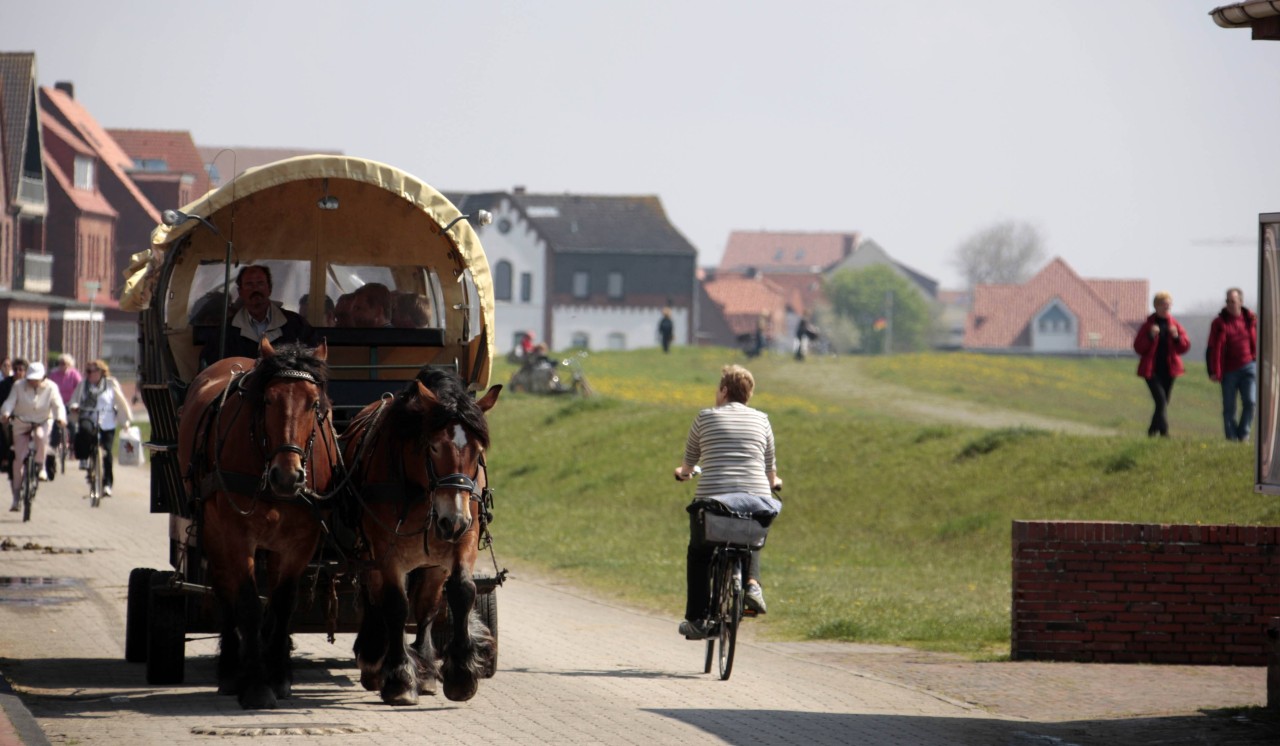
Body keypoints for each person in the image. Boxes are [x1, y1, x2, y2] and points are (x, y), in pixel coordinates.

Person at [673, 364, 782, 640]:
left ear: (723, 390)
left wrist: (683, 474)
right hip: (756, 496)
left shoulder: (705, 417)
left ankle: (697, 619)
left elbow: (689, 466)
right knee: (752, 534)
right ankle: (753, 585)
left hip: (714, 501)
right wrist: (774, 483)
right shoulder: (762, 420)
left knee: (698, 553)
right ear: (749, 394)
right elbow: (771, 471)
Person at [209, 265, 313, 361]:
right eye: (249, 284)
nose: (255, 289)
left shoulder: (296, 325)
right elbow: (212, 367)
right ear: (240, 292)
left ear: (269, 289)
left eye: (260, 283)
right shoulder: (226, 331)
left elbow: (312, 363)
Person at [1, 362, 67, 510]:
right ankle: (17, 495)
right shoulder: (18, 386)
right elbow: (10, 402)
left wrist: (61, 418)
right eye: (31, 379)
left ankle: (41, 466)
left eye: (36, 379)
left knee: (40, 435)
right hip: (22, 422)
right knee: (18, 460)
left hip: (42, 421)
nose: (33, 382)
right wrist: (5, 413)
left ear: (43, 377)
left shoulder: (51, 387)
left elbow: (58, 405)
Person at [68, 359, 133, 497]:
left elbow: (120, 402)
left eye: (91, 371)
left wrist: (125, 421)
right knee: (84, 432)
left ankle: (107, 484)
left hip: (107, 421)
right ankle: (85, 459)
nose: (88, 374)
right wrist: (74, 407)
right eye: (87, 371)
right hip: (88, 417)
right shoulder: (83, 384)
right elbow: (74, 400)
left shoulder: (110, 383)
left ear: (100, 372)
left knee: (107, 453)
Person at [1133, 291, 1191, 438]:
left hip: (1169, 370)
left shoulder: (1174, 325)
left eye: (1169, 306)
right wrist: (1150, 336)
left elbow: (1184, 347)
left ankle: (1152, 433)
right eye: (1164, 305)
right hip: (1152, 370)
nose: (1166, 308)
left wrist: (1176, 337)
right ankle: (1164, 432)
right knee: (1161, 401)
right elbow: (1139, 347)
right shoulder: (1148, 325)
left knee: (1163, 402)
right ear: (1156, 306)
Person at [1207, 287, 1258, 442]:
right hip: (1228, 370)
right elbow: (1211, 348)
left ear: (1240, 302)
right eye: (1228, 301)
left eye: (1233, 301)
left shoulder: (1251, 320)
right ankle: (1231, 437)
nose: (1230, 304)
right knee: (1229, 407)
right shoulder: (1219, 323)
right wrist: (1212, 371)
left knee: (1250, 401)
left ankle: (1244, 433)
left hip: (1249, 366)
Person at [48, 354, 82, 470]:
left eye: (65, 364)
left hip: (69, 404)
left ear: (70, 365)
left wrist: (76, 403)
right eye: (61, 363)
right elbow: (48, 387)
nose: (63, 366)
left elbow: (80, 388)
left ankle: (72, 447)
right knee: (54, 426)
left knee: (72, 425)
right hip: (56, 404)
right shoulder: (53, 375)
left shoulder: (74, 375)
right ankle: (53, 448)